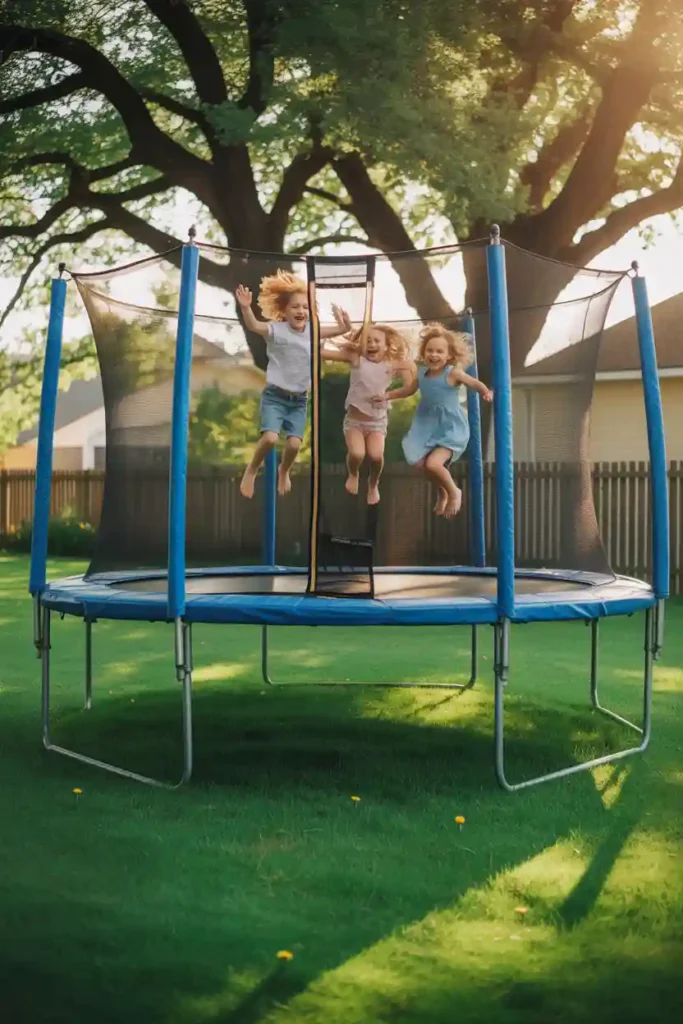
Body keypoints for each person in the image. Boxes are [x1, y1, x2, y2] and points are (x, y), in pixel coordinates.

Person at [235, 271, 350, 498]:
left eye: (305, 307)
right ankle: (252, 469)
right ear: (284, 310)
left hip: (299, 400)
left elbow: (342, 330)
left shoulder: (312, 332)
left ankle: (284, 470)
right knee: (270, 438)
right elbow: (254, 326)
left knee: (295, 445)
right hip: (275, 396)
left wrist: (343, 322)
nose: (301, 311)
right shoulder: (276, 330)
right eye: (295, 307)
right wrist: (246, 308)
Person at [375, 322, 492, 518]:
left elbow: (473, 382)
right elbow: (408, 390)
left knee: (433, 464)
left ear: (449, 355)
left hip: (450, 427)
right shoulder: (422, 374)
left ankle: (454, 492)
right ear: (423, 353)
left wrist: (485, 391)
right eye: (430, 350)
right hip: (427, 425)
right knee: (422, 464)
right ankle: (442, 492)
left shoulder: (452, 373)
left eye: (439, 351)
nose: (434, 355)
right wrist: (387, 395)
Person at [322, 323, 415, 505]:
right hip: (354, 422)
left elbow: (409, 388)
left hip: (377, 422)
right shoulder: (356, 359)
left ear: (386, 346)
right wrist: (334, 339)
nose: (372, 344)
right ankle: (353, 474)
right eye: (368, 341)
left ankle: (373, 484)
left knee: (376, 456)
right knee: (357, 454)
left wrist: (388, 395)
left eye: (376, 341)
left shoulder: (391, 365)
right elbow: (321, 353)